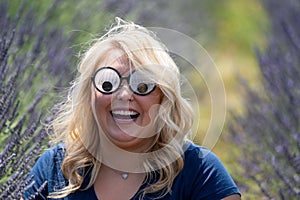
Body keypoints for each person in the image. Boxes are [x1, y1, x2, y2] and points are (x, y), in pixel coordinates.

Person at [22, 18, 241, 200]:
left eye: (142, 85)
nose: (124, 95)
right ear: (90, 95)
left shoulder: (200, 172)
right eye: (108, 83)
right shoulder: (54, 168)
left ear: (164, 97)